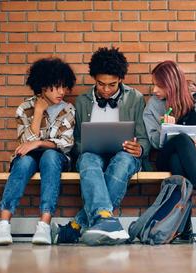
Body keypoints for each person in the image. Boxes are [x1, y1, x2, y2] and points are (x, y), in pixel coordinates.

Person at [52, 47, 150, 246]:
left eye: (112, 85)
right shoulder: (82, 101)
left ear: (121, 79)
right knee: (87, 159)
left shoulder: (136, 98)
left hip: (125, 155)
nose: (106, 89)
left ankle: (79, 226)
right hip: (92, 155)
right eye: (100, 84)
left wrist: (139, 149)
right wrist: (85, 146)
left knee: (122, 161)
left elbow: (144, 138)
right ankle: (106, 221)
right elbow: (76, 141)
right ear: (93, 79)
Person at [0, 58, 76, 246]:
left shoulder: (69, 110)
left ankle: (44, 225)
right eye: (56, 87)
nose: (61, 92)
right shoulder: (25, 108)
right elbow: (24, 146)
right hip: (29, 158)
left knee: (50, 156)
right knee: (23, 161)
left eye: (64, 87)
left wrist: (38, 142)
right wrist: (38, 112)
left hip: (55, 157)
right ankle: (3, 224)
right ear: (43, 86)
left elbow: (65, 144)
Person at [143, 60, 196, 242]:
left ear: (171, 85)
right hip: (164, 155)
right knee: (180, 139)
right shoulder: (153, 106)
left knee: (177, 162)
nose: (154, 90)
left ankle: (184, 227)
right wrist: (164, 129)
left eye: (159, 85)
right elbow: (154, 142)